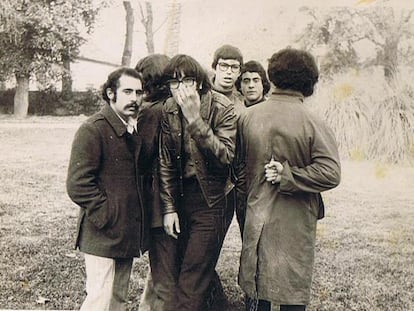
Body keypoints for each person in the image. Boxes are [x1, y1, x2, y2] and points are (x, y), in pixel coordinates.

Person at [236, 48, 341, 311]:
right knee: (292, 290)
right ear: (310, 81)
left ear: (273, 77)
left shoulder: (247, 117)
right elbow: (331, 172)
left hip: (256, 214)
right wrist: (291, 176)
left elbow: (236, 171)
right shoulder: (313, 122)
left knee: (258, 287)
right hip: (296, 217)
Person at [66, 67, 159, 311]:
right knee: (100, 299)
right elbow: (77, 184)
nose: (134, 98)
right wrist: (108, 214)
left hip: (124, 232)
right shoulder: (94, 129)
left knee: (117, 298)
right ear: (110, 94)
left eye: (139, 93)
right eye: (127, 91)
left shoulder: (129, 127)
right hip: (103, 233)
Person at [158, 54, 237, 311]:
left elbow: (224, 158)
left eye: (188, 80)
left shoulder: (221, 106)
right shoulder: (168, 109)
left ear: (200, 82)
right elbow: (166, 161)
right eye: (174, 81)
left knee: (192, 277)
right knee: (186, 269)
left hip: (213, 199)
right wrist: (169, 208)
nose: (181, 88)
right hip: (183, 197)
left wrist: (195, 120)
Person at [133, 54, 172, 311]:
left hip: (158, 201)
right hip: (177, 200)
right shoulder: (173, 105)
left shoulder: (152, 112)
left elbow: (141, 156)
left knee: (163, 271)